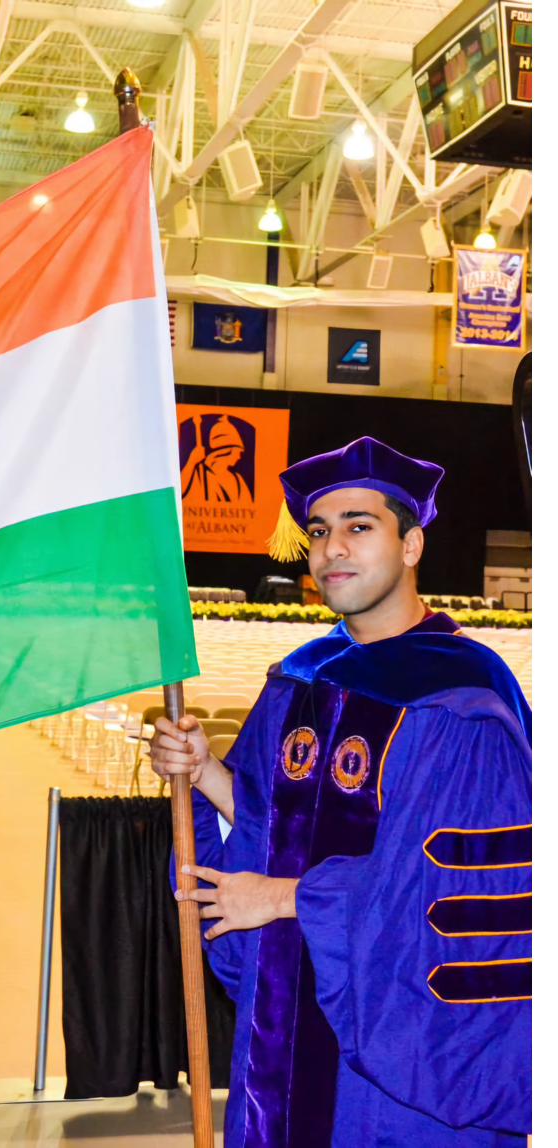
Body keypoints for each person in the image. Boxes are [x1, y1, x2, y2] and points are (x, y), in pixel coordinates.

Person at [149, 437, 531, 1147]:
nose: (332, 550)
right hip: (288, 1014)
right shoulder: (302, 679)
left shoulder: (461, 700)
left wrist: (285, 898)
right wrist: (204, 771)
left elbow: (442, 893)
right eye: (320, 532)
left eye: (360, 526)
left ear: (412, 544)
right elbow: (275, 822)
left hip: (394, 1044)